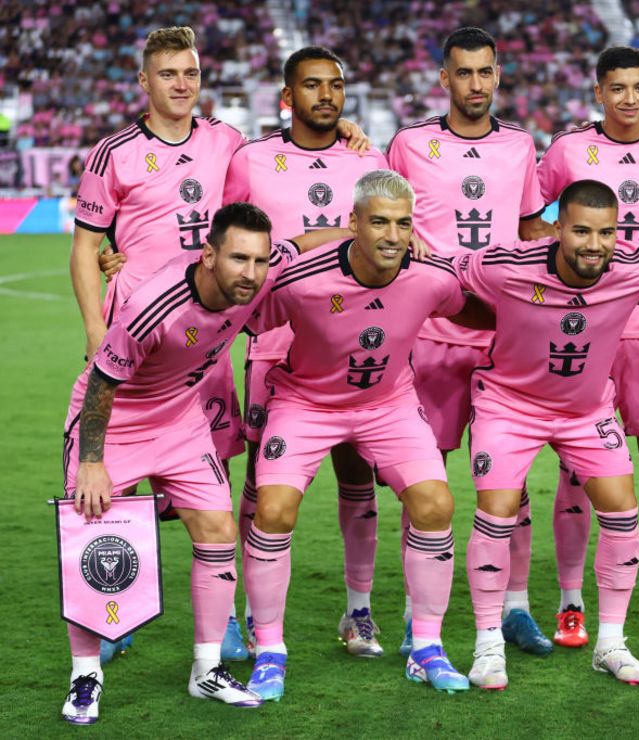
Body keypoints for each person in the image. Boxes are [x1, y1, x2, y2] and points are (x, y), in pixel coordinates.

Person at [74, 26, 369, 663]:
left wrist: (345, 138)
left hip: (205, 339)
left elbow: (283, 159)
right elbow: (83, 248)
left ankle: (226, 616)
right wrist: (97, 331)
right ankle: (117, 608)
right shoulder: (113, 153)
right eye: (169, 74)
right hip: (135, 336)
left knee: (213, 474)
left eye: (191, 74)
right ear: (144, 82)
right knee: (126, 486)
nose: (182, 85)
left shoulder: (227, 143)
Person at [60, 203, 320, 724]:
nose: (251, 272)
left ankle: (207, 670)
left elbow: (306, 241)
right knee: (93, 538)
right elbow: (101, 383)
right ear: (208, 255)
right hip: (117, 422)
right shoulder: (155, 305)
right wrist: (92, 461)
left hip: (181, 421)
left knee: (219, 532)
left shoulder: (255, 280)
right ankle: (84, 676)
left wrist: (361, 231)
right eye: (239, 259)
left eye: (260, 260)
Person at [242, 171, 483, 700]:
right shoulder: (302, 281)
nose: (393, 236)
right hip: (305, 402)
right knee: (274, 510)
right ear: (351, 224)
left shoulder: (431, 277)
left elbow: (476, 308)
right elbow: (243, 315)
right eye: (379, 222)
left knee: (436, 504)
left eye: (402, 223)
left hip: (387, 404)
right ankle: (270, 652)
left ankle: (426, 648)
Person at [458, 180, 639, 689]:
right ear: (558, 229)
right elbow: (448, 281)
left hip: (586, 410)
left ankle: (610, 642)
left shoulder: (631, 268)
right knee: (497, 510)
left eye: (606, 232)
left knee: (621, 508)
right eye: (582, 231)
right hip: (510, 405)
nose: (594, 244)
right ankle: (487, 646)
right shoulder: (506, 265)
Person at [387, 26, 554, 656]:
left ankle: (515, 607)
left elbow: (535, 228)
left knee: (509, 478)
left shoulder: (519, 145)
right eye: (465, 73)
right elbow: (379, 210)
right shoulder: (409, 144)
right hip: (428, 334)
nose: (477, 84)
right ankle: (414, 613)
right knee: (423, 479)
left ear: (498, 76)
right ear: (445, 79)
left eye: (486, 72)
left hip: (503, 335)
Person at [222, 45, 389, 659]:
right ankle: (242, 613)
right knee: (261, 482)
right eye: (312, 86)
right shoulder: (252, 160)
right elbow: (224, 236)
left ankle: (358, 611)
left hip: (355, 346)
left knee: (358, 472)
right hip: (276, 345)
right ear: (288, 97)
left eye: (335, 86)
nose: (326, 96)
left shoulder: (368, 159)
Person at [536, 46, 639, 648]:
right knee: (578, 470)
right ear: (598, 92)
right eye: (618, 88)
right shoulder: (567, 151)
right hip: (588, 331)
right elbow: (535, 224)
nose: (630, 99)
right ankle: (572, 603)